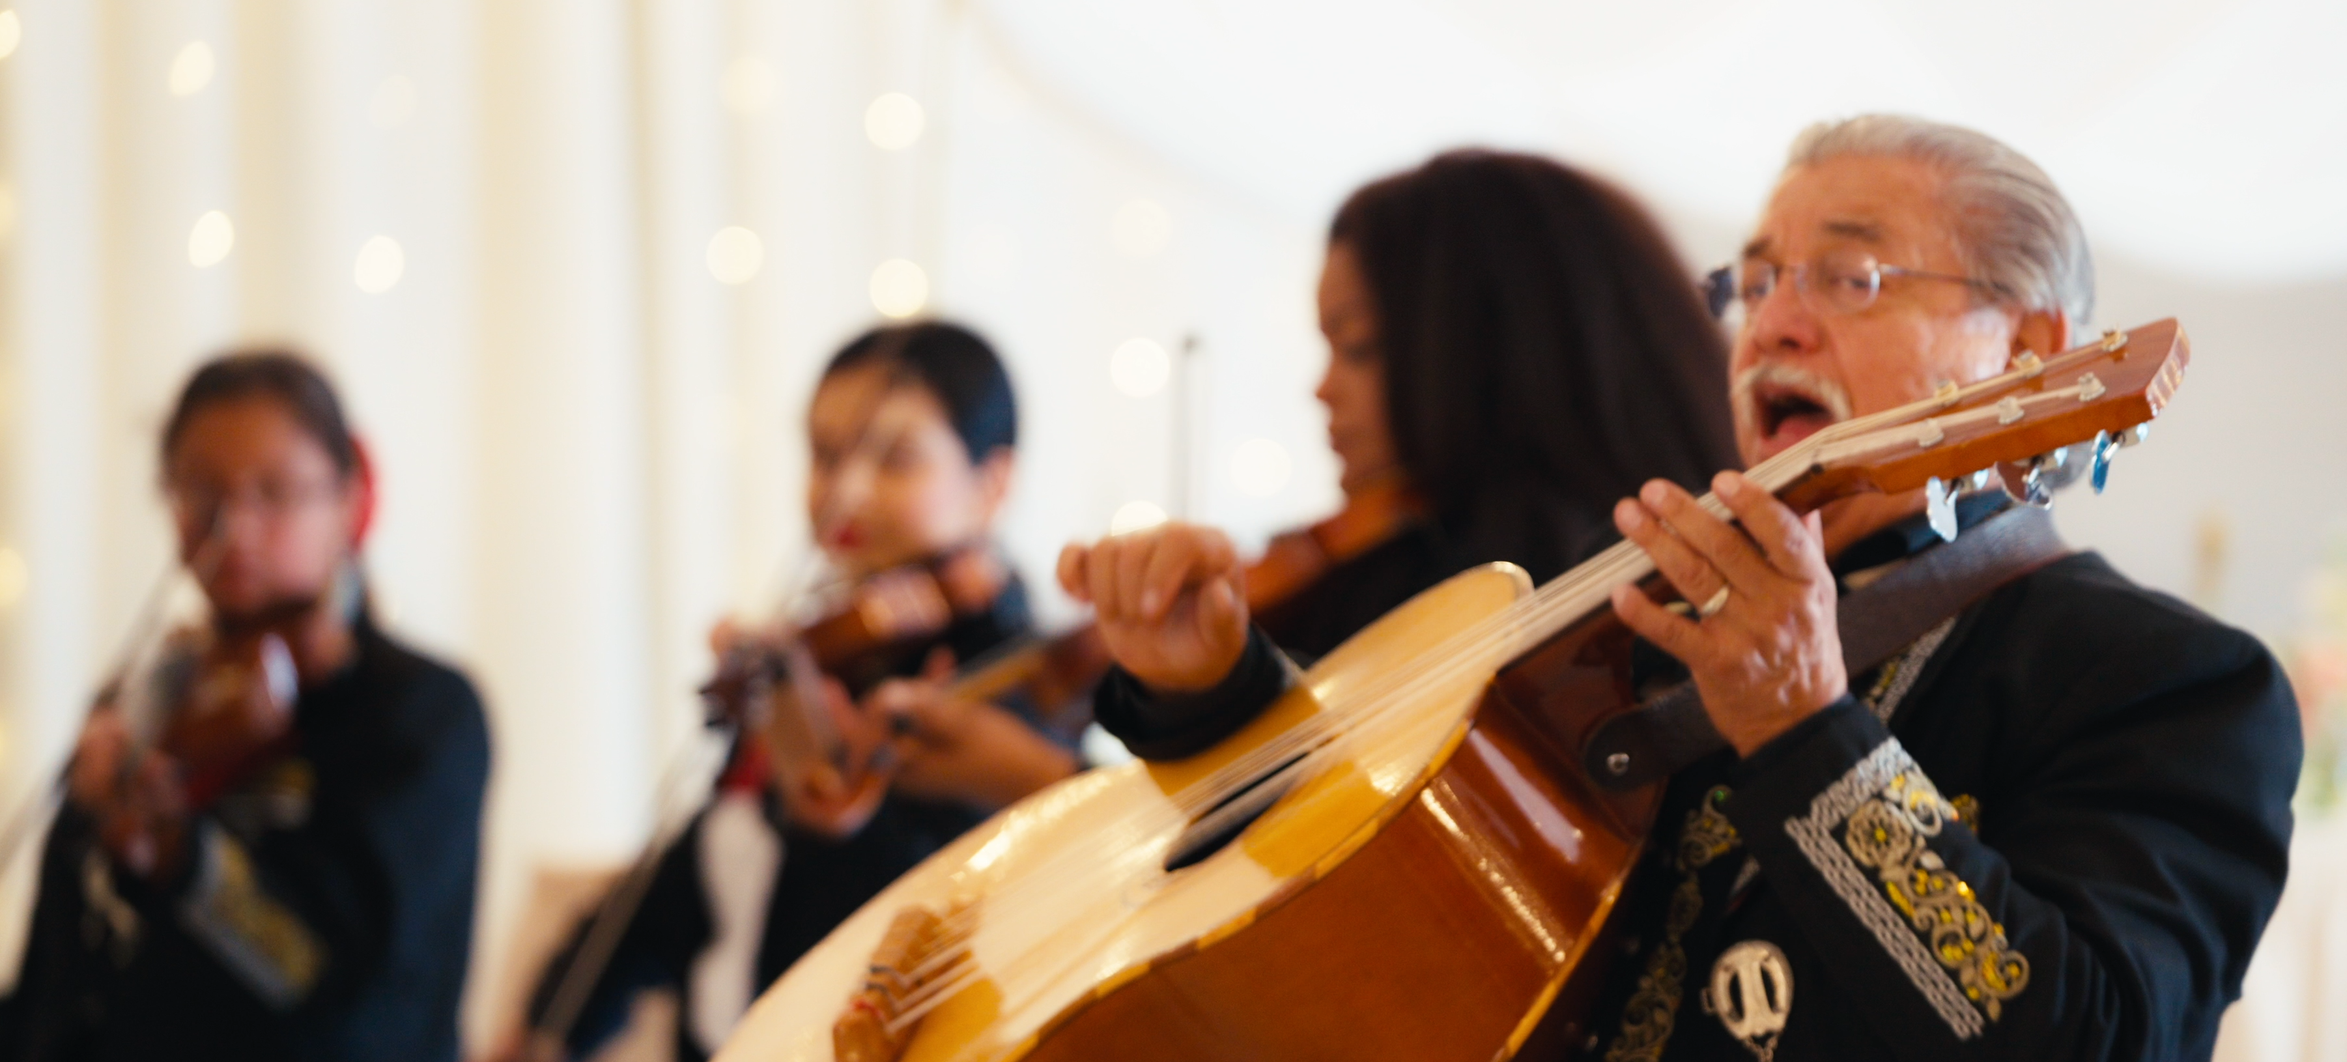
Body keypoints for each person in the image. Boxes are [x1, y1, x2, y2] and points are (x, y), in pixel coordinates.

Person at [1065, 116, 2302, 1061]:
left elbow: (2093, 1040)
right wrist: (1211, 687)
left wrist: (1809, 733)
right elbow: (1378, 877)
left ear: (2025, 356)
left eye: (1851, 279)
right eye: (1756, 282)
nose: (1774, 326)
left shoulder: (2167, 681)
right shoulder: (1640, 624)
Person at [512, 321, 1080, 1061]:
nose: (844, 492)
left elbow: (930, 930)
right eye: (825, 454)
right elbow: (689, 880)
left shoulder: (1021, 680)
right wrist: (549, 1024)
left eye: (894, 459)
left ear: (992, 484)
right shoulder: (822, 657)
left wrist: (829, 816)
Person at [1061, 148, 1741, 761]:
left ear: (1484, 347)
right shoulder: (1386, 555)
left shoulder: (1525, 587)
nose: (1322, 388)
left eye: (1357, 346)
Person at [0, 351, 493, 1062]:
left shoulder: (417, 709)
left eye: (275, 491)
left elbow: (345, 989)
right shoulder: (142, 702)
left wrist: (179, 854)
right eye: (200, 491)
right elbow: (55, 986)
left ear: (348, 501)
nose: (232, 526)